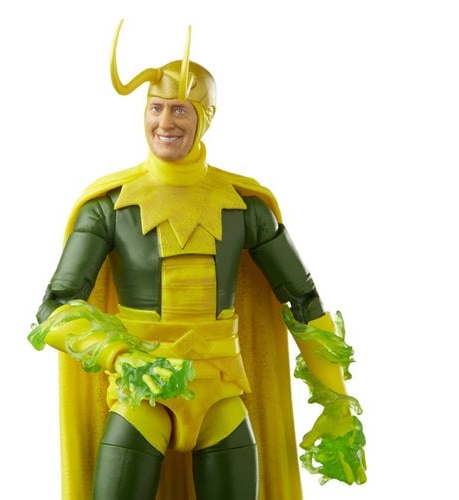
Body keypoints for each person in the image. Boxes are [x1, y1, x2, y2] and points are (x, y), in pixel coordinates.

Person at [31, 20, 365, 500]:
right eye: (156, 107)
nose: (165, 122)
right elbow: (55, 307)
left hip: (220, 390)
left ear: (205, 116)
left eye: (180, 110)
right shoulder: (108, 206)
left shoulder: (245, 206)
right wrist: (122, 357)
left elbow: (304, 302)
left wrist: (337, 403)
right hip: (141, 394)